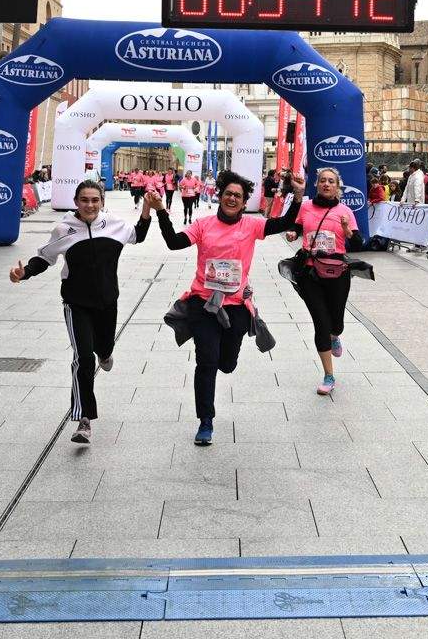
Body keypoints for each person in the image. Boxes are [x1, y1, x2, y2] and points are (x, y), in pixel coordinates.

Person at [152, 170, 304, 446]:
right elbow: (174, 243)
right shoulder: (203, 225)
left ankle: (225, 361)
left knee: (227, 364)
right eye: (228, 194)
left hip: (236, 307)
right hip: (205, 304)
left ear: (244, 202)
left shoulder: (251, 226)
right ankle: (205, 421)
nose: (232, 198)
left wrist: (298, 196)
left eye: (238, 196)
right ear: (219, 197)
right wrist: (161, 211)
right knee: (206, 361)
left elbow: (284, 223)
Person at [11, 179, 152, 446]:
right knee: (83, 358)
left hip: (108, 302)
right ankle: (84, 418)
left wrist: (147, 208)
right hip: (76, 304)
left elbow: (139, 235)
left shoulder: (114, 225)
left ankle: (106, 353)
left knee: (104, 348)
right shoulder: (63, 229)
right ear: (76, 202)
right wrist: (24, 273)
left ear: (102, 202)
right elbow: (45, 258)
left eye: (95, 200)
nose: (90, 205)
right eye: (84, 200)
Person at [285, 168, 363, 396]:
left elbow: (357, 244)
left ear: (338, 186)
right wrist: (292, 234)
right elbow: (297, 228)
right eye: (322, 181)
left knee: (335, 322)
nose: (326, 184)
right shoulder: (306, 207)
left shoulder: (345, 211)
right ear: (316, 185)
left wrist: (348, 229)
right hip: (310, 272)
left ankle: (335, 334)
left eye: (331, 181)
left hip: (337, 272)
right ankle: (329, 375)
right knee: (321, 321)